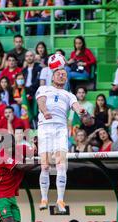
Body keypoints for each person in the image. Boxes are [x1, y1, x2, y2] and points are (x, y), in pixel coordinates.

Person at [36, 67, 86, 213]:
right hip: (45, 127)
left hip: (60, 129)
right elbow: (41, 102)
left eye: (64, 75)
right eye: (59, 74)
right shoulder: (44, 88)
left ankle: (60, 199)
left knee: (61, 165)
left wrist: (80, 110)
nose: (61, 76)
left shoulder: (69, 94)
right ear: (52, 77)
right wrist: (45, 112)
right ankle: (44, 198)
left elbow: (75, 106)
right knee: (45, 166)